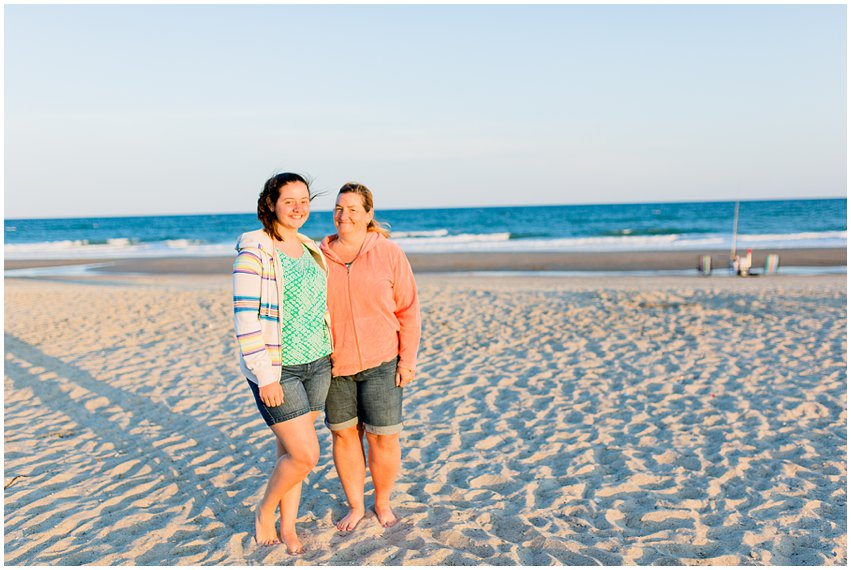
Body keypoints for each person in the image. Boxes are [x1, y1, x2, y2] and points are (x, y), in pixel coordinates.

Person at [232, 172, 333, 553]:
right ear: (271, 203)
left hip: (318, 363)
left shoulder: (310, 248)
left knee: (291, 452)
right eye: (289, 200)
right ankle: (264, 511)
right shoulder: (254, 249)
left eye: (304, 201)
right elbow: (245, 317)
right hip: (278, 370)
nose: (298, 208)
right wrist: (264, 376)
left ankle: (288, 526)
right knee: (307, 454)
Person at [319, 182, 421, 531]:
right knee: (344, 435)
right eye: (338, 208)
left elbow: (408, 309)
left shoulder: (389, 253)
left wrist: (407, 361)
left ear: (368, 215)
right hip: (334, 366)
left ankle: (382, 502)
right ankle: (356, 505)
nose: (343, 215)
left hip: (382, 362)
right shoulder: (318, 255)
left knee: (383, 436)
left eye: (351, 209)